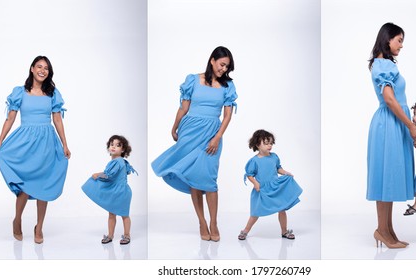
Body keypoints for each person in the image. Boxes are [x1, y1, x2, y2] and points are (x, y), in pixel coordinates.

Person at [151, 46, 237, 242]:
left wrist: (217, 137)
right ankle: (201, 221)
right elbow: (184, 108)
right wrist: (174, 127)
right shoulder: (193, 80)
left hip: (212, 133)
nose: (224, 69)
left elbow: (227, 116)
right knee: (193, 178)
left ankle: (213, 222)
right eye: (222, 64)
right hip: (190, 131)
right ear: (212, 60)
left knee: (209, 179)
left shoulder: (227, 86)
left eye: (227, 67)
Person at [0, 55, 71, 244]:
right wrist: (0, 141)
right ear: (32, 69)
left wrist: (65, 144)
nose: (43, 70)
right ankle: (17, 220)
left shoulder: (52, 93)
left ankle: (39, 227)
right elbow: (10, 118)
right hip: (26, 143)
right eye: (39, 67)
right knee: (24, 188)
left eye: (46, 68)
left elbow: (57, 119)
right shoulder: (20, 92)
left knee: (44, 186)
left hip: (47, 143)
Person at [366, 23, 416, 249]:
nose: (401, 45)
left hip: (393, 123)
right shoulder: (382, 65)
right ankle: (382, 230)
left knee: (388, 177)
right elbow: (389, 99)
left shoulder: (384, 64)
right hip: (390, 123)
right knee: (384, 177)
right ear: (387, 39)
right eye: (398, 40)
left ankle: (387, 230)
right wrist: (410, 125)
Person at [237, 129, 303, 241]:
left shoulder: (274, 156)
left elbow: (278, 168)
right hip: (262, 190)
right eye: (266, 143)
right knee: (255, 213)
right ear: (257, 144)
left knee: (282, 209)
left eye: (271, 143)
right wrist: (255, 183)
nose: (269, 146)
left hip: (275, 188)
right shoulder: (254, 161)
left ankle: (284, 231)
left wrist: (286, 172)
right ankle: (245, 231)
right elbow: (249, 175)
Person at [82, 135, 137, 245]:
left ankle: (127, 235)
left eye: (117, 145)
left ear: (123, 150)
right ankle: (110, 235)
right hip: (116, 190)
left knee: (124, 214)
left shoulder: (118, 161)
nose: (113, 147)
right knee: (111, 214)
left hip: (121, 192)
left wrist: (97, 175)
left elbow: (109, 176)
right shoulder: (119, 161)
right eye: (112, 144)